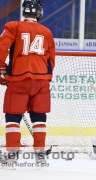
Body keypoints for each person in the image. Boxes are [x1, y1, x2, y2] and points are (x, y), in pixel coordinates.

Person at [0, 0, 55, 166]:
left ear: (24, 12)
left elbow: (2, 48)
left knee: (13, 116)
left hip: (19, 78)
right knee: (39, 117)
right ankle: (40, 156)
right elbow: (51, 59)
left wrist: (2, 70)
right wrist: (45, 78)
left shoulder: (13, 26)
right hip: (41, 81)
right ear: (39, 13)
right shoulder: (46, 31)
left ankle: (12, 156)